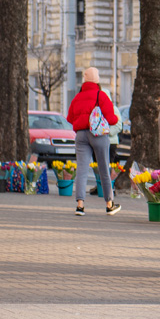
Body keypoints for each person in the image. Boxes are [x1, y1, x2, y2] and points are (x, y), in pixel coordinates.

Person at [65, 67, 120, 216]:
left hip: (81, 136)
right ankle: (109, 204)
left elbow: (69, 117)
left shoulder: (77, 97)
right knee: (103, 169)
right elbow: (112, 118)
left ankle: (80, 205)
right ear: (97, 80)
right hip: (98, 135)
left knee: (82, 170)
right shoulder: (100, 95)